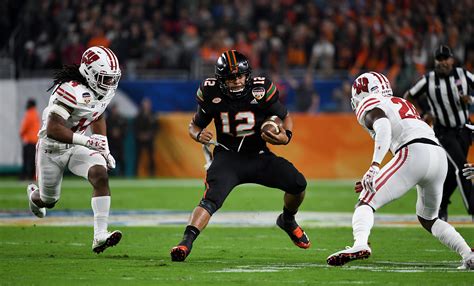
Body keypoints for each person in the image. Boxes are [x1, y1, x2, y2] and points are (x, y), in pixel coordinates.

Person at [170, 50, 310, 262]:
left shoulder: (261, 89)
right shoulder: (211, 92)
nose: (235, 81)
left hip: (259, 155)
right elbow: (195, 124)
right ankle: (185, 243)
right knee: (211, 199)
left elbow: (285, 116)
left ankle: (288, 220)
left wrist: (285, 137)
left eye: (239, 76)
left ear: (247, 75)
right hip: (228, 157)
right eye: (230, 77)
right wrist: (198, 134)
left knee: (298, 184)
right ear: (221, 79)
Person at [326, 72, 473, 270]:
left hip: (413, 152)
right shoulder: (401, 102)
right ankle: (468, 254)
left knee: (366, 201)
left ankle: (360, 244)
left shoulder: (369, 102)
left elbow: (384, 126)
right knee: (429, 218)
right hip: (438, 156)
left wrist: (374, 166)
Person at [26, 46, 123, 254]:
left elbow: (97, 114)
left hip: (76, 145)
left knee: (100, 174)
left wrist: (103, 146)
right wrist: (88, 142)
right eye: (105, 78)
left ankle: (100, 236)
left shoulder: (102, 90)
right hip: (51, 149)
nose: (111, 83)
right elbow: (53, 129)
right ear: (90, 73)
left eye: (112, 78)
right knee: (48, 201)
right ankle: (34, 196)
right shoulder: (69, 89)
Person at [404, 45, 474, 221]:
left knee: (453, 172)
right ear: (435, 62)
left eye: (445, 58)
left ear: (452, 59)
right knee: (462, 168)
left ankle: (441, 205)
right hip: (444, 132)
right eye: (439, 59)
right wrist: (424, 113)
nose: (443, 62)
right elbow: (409, 96)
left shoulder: (463, 75)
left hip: (464, 130)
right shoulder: (428, 80)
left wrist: (471, 99)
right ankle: (473, 209)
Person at [134, 98, 158, 176]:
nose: (146, 106)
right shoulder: (139, 115)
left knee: (151, 157)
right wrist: (140, 135)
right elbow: (135, 127)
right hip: (140, 140)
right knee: (138, 157)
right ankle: (136, 173)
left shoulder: (153, 115)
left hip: (149, 139)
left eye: (148, 104)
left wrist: (149, 135)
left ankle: (152, 173)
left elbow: (156, 127)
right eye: (145, 104)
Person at [19, 98, 40, 180]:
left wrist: (21, 134)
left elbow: (24, 127)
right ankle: (33, 176)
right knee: (33, 160)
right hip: (35, 140)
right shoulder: (36, 113)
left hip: (28, 140)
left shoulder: (29, 113)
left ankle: (24, 176)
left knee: (26, 160)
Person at [106, 104, 127, 176]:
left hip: (119, 142)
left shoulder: (121, 119)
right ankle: (108, 173)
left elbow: (125, 129)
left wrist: (119, 133)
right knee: (109, 158)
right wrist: (112, 132)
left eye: (115, 109)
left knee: (121, 158)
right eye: (113, 109)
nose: (114, 111)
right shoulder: (108, 119)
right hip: (111, 142)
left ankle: (122, 173)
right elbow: (106, 130)